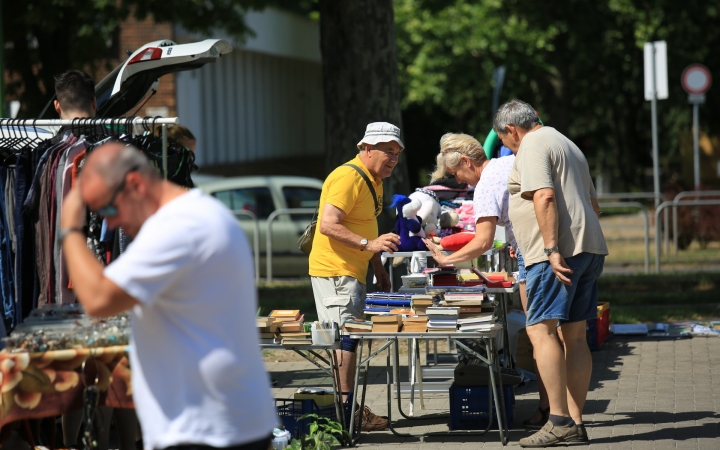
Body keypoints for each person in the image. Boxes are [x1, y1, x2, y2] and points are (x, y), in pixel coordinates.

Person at [61, 143, 276, 450]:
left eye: (108, 209)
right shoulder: (198, 213)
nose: (110, 224)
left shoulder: (179, 227)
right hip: (223, 421)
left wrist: (69, 229)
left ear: (135, 184)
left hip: (207, 429)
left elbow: (98, 299)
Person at [494, 99, 607, 447]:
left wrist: (551, 249)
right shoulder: (567, 144)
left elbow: (543, 197)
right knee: (573, 336)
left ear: (512, 130)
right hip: (588, 247)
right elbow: (593, 203)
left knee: (540, 331)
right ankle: (574, 422)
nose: (509, 146)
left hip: (556, 255)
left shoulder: (531, 145)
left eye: (506, 140)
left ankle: (557, 420)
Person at [422, 132, 551, 429]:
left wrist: (446, 260)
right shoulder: (507, 164)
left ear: (467, 161)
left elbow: (482, 241)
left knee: (540, 337)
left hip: (534, 257)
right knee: (556, 336)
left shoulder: (484, 183)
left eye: (457, 174)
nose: (462, 183)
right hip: (545, 250)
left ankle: (550, 412)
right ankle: (559, 410)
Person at [308, 122, 403, 431]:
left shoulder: (373, 179)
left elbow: (365, 226)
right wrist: (369, 246)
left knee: (350, 340)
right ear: (367, 149)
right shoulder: (348, 177)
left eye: (397, 153)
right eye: (388, 152)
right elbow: (328, 224)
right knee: (343, 342)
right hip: (335, 272)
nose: (393, 159)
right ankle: (345, 416)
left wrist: (376, 265)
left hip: (353, 272)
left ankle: (349, 412)